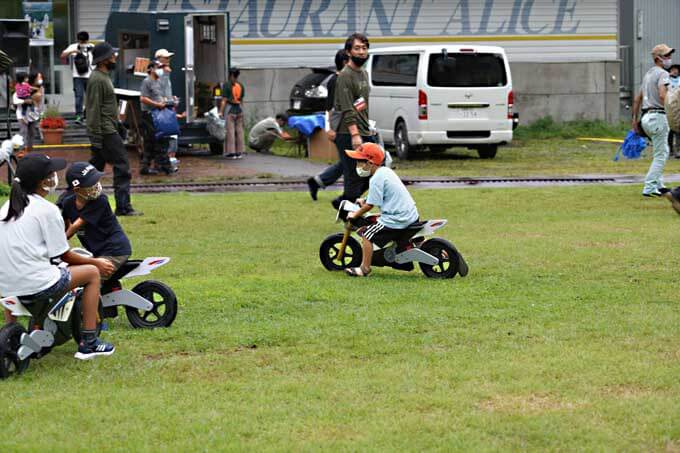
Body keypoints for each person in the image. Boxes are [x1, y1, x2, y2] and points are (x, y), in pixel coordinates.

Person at [0, 154, 115, 359]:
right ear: (44, 181)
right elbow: (65, 255)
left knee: (12, 275)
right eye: (52, 173)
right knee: (92, 273)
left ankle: (12, 330)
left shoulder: (6, 208)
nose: (55, 176)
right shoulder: (47, 209)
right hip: (36, 284)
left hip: (4, 286)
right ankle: (89, 343)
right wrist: (95, 261)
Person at [344, 143, 419, 277]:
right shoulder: (385, 172)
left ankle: (364, 268)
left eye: (359, 162)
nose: (357, 165)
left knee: (367, 235)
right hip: (410, 214)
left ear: (369, 163)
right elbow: (378, 195)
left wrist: (354, 214)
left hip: (397, 219)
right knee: (374, 219)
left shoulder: (375, 178)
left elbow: (369, 206)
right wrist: (365, 199)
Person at [86, 41, 142, 216]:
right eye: (111, 56)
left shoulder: (103, 77)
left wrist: (118, 124)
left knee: (91, 172)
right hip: (105, 132)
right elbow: (93, 108)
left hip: (108, 129)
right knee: (122, 166)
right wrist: (95, 136)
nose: (114, 58)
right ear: (103, 60)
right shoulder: (97, 79)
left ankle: (76, 201)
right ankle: (123, 207)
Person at [60, 162, 132, 278]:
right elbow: (65, 226)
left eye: (96, 181)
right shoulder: (68, 203)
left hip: (115, 250)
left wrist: (58, 244)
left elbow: (75, 226)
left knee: (89, 278)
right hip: (97, 252)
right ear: (77, 189)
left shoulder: (100, 200)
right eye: (91, 184)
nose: (96, 185)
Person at [333, 33, 375, 206]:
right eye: (357, 48)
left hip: (364, 129)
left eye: (364, 48)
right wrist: (355, 134)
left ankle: (342, 203)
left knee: (375, 172)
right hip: (348, 133)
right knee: (354, 176)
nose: (361, 52)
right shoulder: (345, 76)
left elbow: (361, 104)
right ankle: (348, 216)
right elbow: (347, 107)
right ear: (348, 52)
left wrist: (368, 126)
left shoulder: (364, 74)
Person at [631, 44, 674, 197]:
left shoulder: (648, 74)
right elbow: (663, 95)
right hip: (659, 116)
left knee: (660, 151)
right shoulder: (663, 74)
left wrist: (634, 120)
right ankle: (649, 187)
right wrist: (674, 109)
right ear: (658, 58)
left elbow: (637, 99)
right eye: (666, 56)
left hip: (646, 117)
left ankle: (659, 184)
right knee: (661, 154)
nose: (669, 58)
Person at [307, 49, 350, 201]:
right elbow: (330, 106)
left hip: (349, 126)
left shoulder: (345, 79)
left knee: (348, 161)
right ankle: (348, 196)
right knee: (350, 162)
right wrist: (330, 128)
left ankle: (318, 181)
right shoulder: (336, 81)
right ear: (345, 62)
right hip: (341, 128)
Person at [139, 60, 173, 175]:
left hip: (158, 114)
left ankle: (156, 166)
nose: (160, 69)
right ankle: (162, 166)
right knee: (154, 140)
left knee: (156, 140)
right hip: (149, 114)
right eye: (158, 67)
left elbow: (160, 96)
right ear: (151, 69)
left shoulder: (158, 81)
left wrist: (168, 101)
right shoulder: (147, 81)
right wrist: (156, 104)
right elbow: (143, 98)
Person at [155, 48, 184, 171]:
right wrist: (169, 101)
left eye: (169, 57)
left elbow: (166, 90)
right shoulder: (160, 73)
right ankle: (167, 163)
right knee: (170, 135)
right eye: (166, 58)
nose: (169, 60)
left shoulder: (165, 72)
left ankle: (167, 162)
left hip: (168, 106)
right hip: (163, 108)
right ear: (160, 59)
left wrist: (172, 99)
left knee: (170, 135)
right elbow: (158, 92)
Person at [60, 31, 93, 125]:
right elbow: (62, 55)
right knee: (79, 97)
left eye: (84, 41)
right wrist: (72, 51)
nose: (82, 43)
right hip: (77, 76)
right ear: (78, 40)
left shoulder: (92, 47)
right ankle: (79, 116)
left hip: (90, 75)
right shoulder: (74, 46)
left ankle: (89, 115)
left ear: (87, 40)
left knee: (91, 97)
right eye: (81, 41)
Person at [12, 72, 41, 152]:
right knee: (23, 133)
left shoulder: (28, 89)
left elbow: (36, 102)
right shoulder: (17, 90)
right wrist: (24, 101)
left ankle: (29, 149)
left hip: (32, 115)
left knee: (32, 133)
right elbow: (15, 101)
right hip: (22, 116)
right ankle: (22, 150)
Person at [220, 68, 245, 159]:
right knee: (239, 131)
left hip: (230, 109)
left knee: (230, 131)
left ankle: (231, 152)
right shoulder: (240, 85)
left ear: (230, 75)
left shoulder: (227, 85)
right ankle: (240, 152)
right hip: (239, 109)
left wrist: (220, 112)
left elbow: (224, 101)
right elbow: (241, 100)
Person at [668, 64, 680, 158]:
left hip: (678, 108)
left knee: (678, 130)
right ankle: (670, 149)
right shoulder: (666, 80)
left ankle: (678, 150)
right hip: (669, 108)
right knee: (669, 131)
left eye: (676, 69)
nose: (675, 71)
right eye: (673, 69)